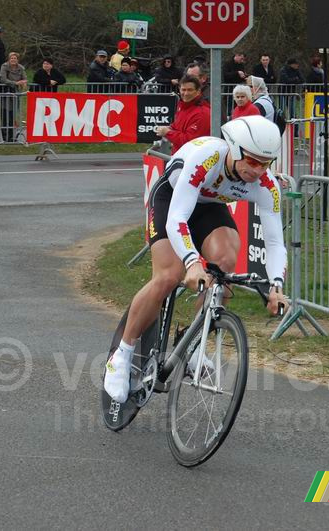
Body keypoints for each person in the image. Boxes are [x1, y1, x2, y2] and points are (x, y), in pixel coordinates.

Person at [103, 116, 287, 403]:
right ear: (235, 150)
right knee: (168, 275)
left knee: (226, 262)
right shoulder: (207, 158)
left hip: (209, 206)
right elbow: (178, 218)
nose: (259, 170)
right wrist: (192, 262)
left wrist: (277, 285)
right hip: (172, 199)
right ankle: (121, 355)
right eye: (252, 161)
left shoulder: (266, 184)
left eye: (266, 163)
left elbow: (275, 241)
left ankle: (195, 346)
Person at [155, 74, 211, 154]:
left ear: (198, 91)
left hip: (192, 159)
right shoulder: (183, 106)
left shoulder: (202, 113)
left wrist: (168, 132)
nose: (186, 93)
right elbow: (178, 125)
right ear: (179, 89)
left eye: (190, 90)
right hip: (180, 156)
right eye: (183, 89)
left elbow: (190, 142)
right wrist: (170, 128)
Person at [0, 52, 27, 141]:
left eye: (15, 58)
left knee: (12, 116)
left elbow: (25, 78)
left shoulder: (21, 68)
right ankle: (5, 137)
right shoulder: (4, 66)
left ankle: (11, 137)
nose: (13, 60)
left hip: (16, 94)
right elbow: (3, 79)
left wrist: (24, 82)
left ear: (17, 60)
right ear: (9, 59)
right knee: (5, 116)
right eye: (11, 58)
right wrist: (15, 83)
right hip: (6, 93)